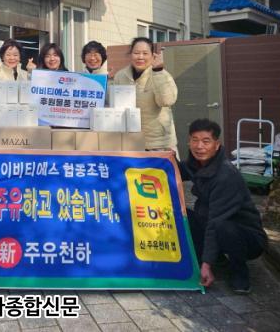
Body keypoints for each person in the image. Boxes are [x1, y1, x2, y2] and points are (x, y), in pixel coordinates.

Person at [180, 119, 267, 293]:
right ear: (189, 142)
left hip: (247, 237)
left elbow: (215, 221)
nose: (199, 146)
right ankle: (217, 258)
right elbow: (174, 169)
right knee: (182, 216)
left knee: (222, 226)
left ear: (217, 145)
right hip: (214, 223)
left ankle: (240, 273)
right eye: (195, 140)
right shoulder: (195, 164)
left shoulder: (226, 175)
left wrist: (206, 265)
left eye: (206, 141)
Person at [114, 37, 177, 151]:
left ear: (153, 56)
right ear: (130, 55)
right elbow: (114, 106)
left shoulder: (162, 74)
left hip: (158, 143)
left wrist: (158, 72)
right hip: (130, 142)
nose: (140, 57)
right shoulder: (120, 76)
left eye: (145, 53)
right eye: (136, 53)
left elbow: (167, 101)